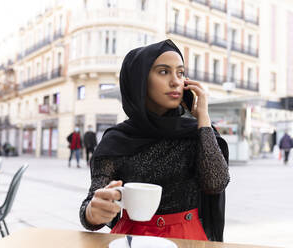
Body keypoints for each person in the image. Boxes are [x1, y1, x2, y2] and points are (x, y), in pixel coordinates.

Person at [79, 39, 230, 241]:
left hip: (187, 239)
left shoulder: (197, 133)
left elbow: (216, 183)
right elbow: (92, 207)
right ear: (139, 80)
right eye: (163, 71)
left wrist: (203, 118)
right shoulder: (117, 139)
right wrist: (93, 212)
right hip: (131, 239)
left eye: (180, 72)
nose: (176, 81)